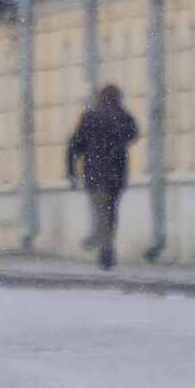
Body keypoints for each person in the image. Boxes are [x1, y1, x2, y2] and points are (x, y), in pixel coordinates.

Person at [66, 84, 138, 269]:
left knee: (100, 211)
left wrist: (71, 172)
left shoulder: (90, 117)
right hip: (116, 174)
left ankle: (104, 247)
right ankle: (105, 245)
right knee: (111, 212)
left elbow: (75, 145)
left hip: (95, 174)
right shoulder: (122, 116)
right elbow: (133, 135)